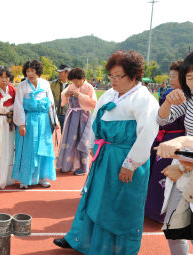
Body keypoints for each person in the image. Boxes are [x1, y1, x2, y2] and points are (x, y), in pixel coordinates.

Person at [53, 50, 159, 254]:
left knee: (118, 205)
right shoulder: (110, 94)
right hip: (105, 156)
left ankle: (113, 249)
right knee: (95, 198)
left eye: (118, 76)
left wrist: (131, 164)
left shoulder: (144, 99)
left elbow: (146, 135)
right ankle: (80, 239)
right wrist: (93, 146)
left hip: (126, 159)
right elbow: (95, 121)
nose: (113, 80)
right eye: (111, 75)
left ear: (134, 75)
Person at [157, 52, 193, 255]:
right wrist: (168, 102)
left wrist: (185, 140)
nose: (192, 82)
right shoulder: (188, 99)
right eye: (189, 78)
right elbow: (162, 120)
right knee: (174, 226)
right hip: (185, 169)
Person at [145, 60, 185, 223]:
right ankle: (151, 209)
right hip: (162, 138)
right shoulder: (168, 93)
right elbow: (161, 118)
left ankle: (164, 213)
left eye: (175, 76)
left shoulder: (186, 97)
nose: (171, 79)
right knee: (155, 175)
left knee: (169, 177)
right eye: (170, 76)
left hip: (178, 141)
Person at [12, 59, 59, 189]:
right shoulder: (22, 86)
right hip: (29, 120)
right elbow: (18, 105)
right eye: (28, 71)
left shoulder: (45, 84)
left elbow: (51, 103)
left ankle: (43, 177)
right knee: (27, 148)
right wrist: (21, 124)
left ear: (38, 71)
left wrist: (55, 120)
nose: (30, 73)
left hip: (43, 121)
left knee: (44, 147)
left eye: (32, 71)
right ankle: (24, 179)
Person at [56, 67, 97, 176]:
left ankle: (82, 167)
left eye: (76, 81)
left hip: (83, 116)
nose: (74, 83)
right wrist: (67, 93)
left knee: (83, 141)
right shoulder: (72, 86)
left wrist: (80, 95)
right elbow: (63, 98)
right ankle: (67, 165)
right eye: (72, 81)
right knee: (69, 140)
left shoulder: (89, 87)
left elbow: (94, 103)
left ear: (82, 78)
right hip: (72, 116)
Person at [50, 64, 71, 131]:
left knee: (65, 137)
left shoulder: (73, 84)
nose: (58, 74)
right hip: (53, 113)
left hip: (67, 114)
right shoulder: (53, 84)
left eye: (60, 72)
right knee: (48, 134)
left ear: (67, 72)